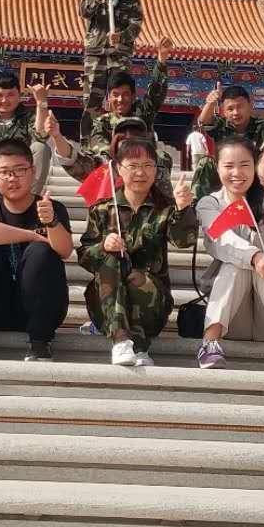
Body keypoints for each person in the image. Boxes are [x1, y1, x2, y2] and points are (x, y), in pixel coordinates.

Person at [77, 138, 197, 367]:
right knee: (111, 260)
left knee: (136, 278)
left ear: (156, 169)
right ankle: (122, 340)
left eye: (147, 165)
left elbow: (184, 242)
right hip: (105, 300)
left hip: (152, 302)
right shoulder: (102, 209)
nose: (140, 173)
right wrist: (103, 246)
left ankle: (138, 345)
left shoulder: (165, 208)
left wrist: (183, 210)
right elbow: (84, 256)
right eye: (133, 166)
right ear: (119, 168)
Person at [195, 137, 264, 372]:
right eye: (229, 166)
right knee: (237, 262)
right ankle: (210, 342)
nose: (237, 173)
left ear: (255, 165)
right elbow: (221, 240)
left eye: (245, 165)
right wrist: (255, 256)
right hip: (231, 317)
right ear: (217, 167)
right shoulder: (209, 204)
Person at [0, 140, 74, 361]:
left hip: (38, 309)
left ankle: (40, 342)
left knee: (41, 252)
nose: (12, 178)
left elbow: (65, 250)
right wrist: (31, 235)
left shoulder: (51, 207)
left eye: (19, 170)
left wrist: (51, 221)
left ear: (33, 172)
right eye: (5, 172)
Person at [80, 0, 143, 139]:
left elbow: (136, 26)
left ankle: (122, 139)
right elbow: (84, 11)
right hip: (96, 54)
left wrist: (121, 37)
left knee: (121, 99)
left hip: (119, 55)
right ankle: (90, 143)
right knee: (92, 100)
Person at [85, 35, 172, 155]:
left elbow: (156, 92)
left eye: (125, 94)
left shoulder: (141, 113)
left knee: (162, 157)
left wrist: (161, 59)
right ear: (108, 98)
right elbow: (99, 145)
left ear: (133, 96)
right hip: (116, 163)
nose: (120, 99)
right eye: (115, 95)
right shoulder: (102, 123)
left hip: (144, 163)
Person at [193, 84, 264, 198]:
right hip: (229, 173)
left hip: (256, 172)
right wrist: (210, 103)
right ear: (224, 111)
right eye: (230, 109)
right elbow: (204, 122)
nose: (235, 112)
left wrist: (262, 164)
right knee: (206, 163)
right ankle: (197, 204)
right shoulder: (221, 125)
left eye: (240, 107)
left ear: (250, 105)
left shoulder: (263, 125)